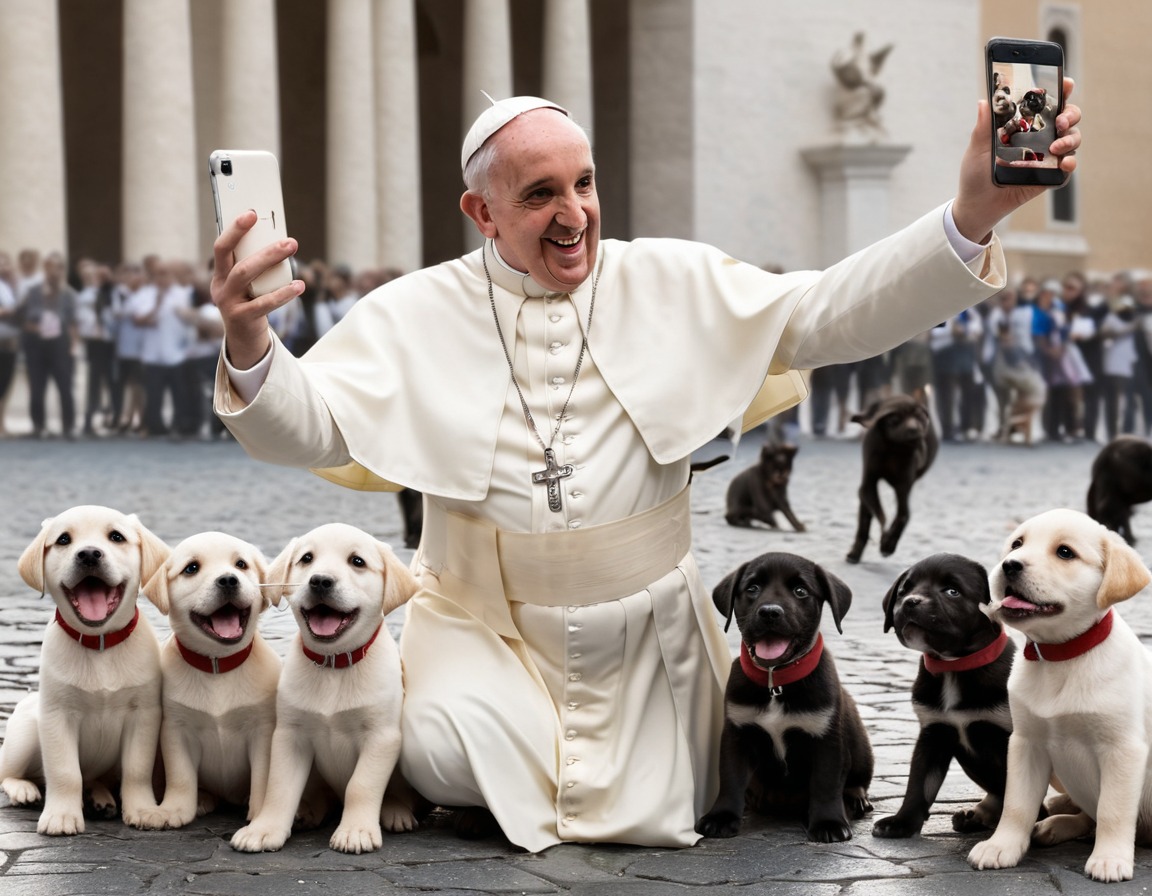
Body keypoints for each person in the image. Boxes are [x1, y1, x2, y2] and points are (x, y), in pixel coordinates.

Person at [210, 89, 1081, 852]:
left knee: (684, 788)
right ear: (482, 212)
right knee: (435, 751)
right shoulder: (410, 313)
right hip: (483, 626)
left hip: (647, 632)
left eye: (583, 184)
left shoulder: (672, 281)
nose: (574, 213)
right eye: (540, 193)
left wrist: (970, 217)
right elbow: (310, 428)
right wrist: (251, 342)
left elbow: (832, 313)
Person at [20, 252, 79, 439]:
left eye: (58, 268)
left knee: (65, 387)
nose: (54, 272)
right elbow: (22, 317)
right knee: (37, 387)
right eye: (50, 268)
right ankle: (38, 426)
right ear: (45, 269)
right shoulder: (33, 291)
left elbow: (74, 322)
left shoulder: (69, 294)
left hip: (60, 345)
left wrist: (73, 346)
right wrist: (36, 326)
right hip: (36, 344)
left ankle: (68, 427)